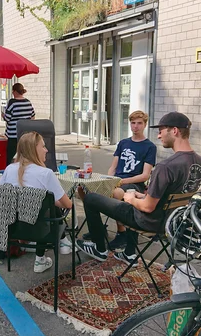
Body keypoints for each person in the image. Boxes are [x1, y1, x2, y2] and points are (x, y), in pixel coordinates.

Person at [77, 112, 201, 264]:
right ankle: (129, 253)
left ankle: (99, 248)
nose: (159, 136)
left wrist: (131, 198)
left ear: (174, 131)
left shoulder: (166, 167)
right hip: (173, 223)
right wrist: (140, 196)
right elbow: (169, 195)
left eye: (161, 131)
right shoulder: (198, 161)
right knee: (130, 194)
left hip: (147, 221)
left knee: (90, 199)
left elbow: (148, 207)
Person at [0, 132, 74, 272]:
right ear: (34, 149)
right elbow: (68, 205)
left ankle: (56, 248)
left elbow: (3, 197)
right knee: (49, 206)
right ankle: (52, 251)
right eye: (43, 146)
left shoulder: (9, 169)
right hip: (40, 232)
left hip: (12, 230)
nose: (46, 150)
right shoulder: (45, 173)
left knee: (45, 204)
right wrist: (53, 201)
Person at [106, 110, 156, 250]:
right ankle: (97, 231)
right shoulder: (123, 143)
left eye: (139, 123)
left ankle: (121, 233)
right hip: (117, 181)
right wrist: (110, 178)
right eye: (133, 123)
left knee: (116, 193)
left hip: (135, 184)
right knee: (86, 190)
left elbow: (145, 175)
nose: (135, 126)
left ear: (145, 125)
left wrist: (122, 182)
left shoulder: (150, 147)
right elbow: (113, 166)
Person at [3, 83, 35, 165]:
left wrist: (3, 115)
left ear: (14, 91)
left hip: (13, 135)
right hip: (25, 134)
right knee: (24, 156)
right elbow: (32, 117)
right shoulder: (28, 102)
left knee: (11, 156)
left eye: (12, 91)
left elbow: (7, 118)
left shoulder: (12, 102)